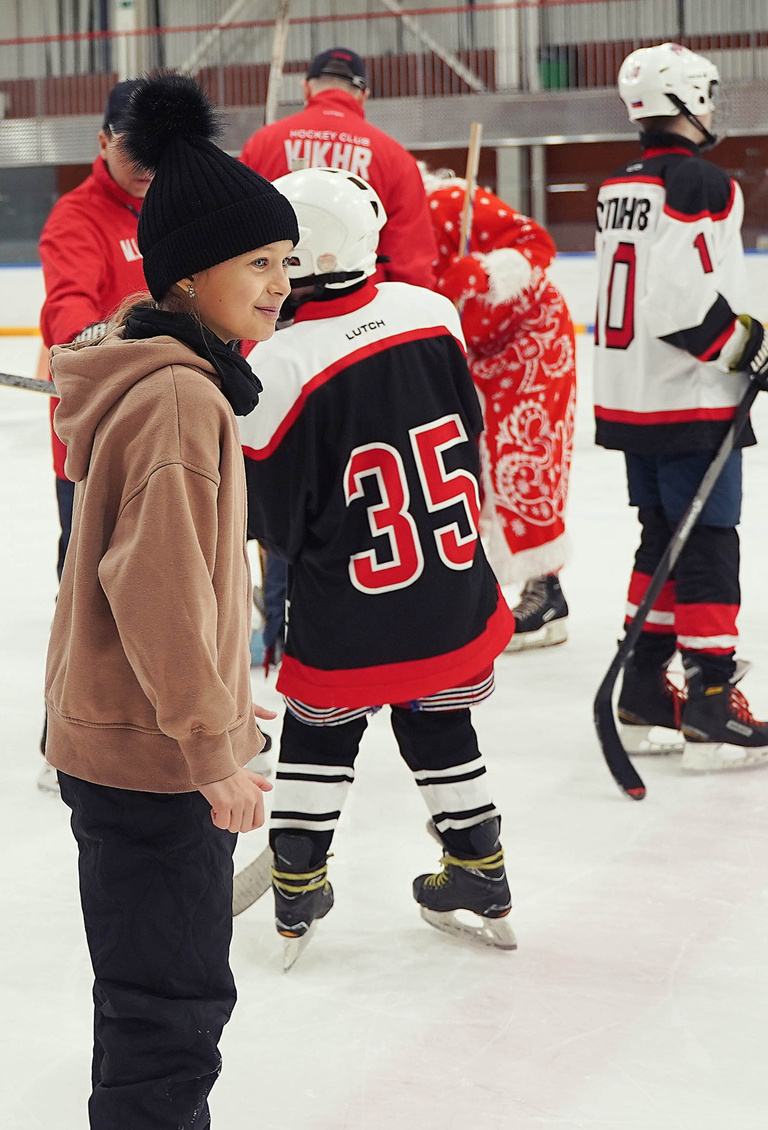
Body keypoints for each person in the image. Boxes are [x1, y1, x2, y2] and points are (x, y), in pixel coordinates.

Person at [45, 72, 293, 1130]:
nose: (279, 283)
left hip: (121, 740)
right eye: (257, 263)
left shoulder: (157, 370)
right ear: (189, 274)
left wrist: (226, 711)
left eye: (287, 261)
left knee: (152, 996)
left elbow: (175, 580)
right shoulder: (183, 396)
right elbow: (153, 588)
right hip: (150, 759)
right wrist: (208, 747)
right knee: (171, 1007)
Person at [241, 168, 519, 965]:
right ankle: (481, 870)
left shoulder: (279, 365)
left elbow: (277, 521)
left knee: (318, 736)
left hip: (353, 598)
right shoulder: (431, 312)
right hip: (449, 576)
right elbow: (463, 423)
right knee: (440, 719)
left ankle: (297, 885)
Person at [592, 44, 768, 772]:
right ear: (681, 101)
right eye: (704, 95)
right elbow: (682, 306)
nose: (711, 108)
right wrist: (752, 349)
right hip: (687, 399)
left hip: (629, 395)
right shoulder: (702, 180)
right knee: (708, 540)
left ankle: (645, 687)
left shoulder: (620, 183)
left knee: (663, 538)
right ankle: (711, 700)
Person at [420, 166, 579, 650]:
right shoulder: (378, 235)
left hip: (532, 338)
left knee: (523, 460)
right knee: (457, 467)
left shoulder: (449, 204)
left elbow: (536, 242)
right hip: (469, 350)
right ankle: (471, 589)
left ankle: (545, 591)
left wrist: (484, 272)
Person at [37, 77, 151, 574]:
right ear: (104, 142)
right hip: (95, 425)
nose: (145, 162)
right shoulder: (76, 217)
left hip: (166, 419)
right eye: (131, 147)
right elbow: (68, 305)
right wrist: (94, 344)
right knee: (88, 574)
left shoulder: (176, 209)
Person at [238, 47, 434, 288]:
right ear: (363, 96)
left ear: (306, 88)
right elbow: (410, 261)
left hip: (275, 300)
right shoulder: (394, 157)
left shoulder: (263, 143)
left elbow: (237, 231)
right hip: (360, 307)